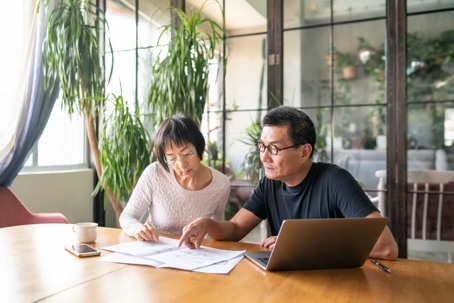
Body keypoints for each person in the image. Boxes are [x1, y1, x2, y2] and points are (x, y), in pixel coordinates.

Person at [178, 106, 399, 260]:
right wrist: (208, 224)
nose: (264, 157)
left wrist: (304, 246)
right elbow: (235, 229)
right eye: (262, 146)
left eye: (274, 149)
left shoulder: (335, 181)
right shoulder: (270, 184)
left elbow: (387, 248)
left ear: (304, 151)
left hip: (336, 283)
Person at [119, 115, 230, 241]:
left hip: (197, 254)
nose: (182, 164)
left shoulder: (221, 183)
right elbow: (128, 216)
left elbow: (216, 232)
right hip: (157, 251)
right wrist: (137, 229)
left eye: (187, 153)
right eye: (172, 158)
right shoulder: (154, 173)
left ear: (199, 147)